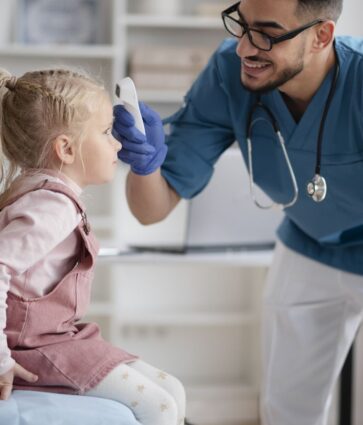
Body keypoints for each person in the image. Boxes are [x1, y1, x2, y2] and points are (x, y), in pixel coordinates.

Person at [112, 0, 363, 424]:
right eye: (242, 25)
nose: (246, 47)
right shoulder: (230, 72)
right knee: (287, 410)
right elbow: (152, 210)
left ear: (322, 36)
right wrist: (145, 163)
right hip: (308, 247)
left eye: (267, 33)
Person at [0, 68, 186, 425]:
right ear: (66, 149)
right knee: (160, 406)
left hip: (58, 338)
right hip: (36, 348)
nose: (117, 143)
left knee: (172, 392)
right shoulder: (51, 207)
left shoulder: (43, 192)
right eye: (105, 133)